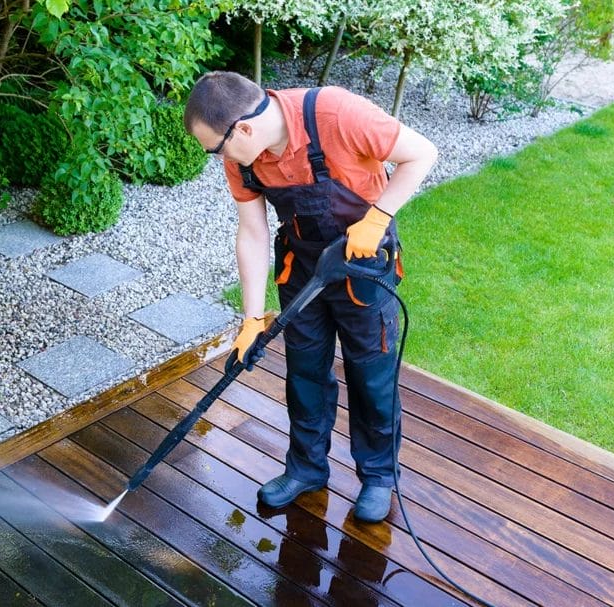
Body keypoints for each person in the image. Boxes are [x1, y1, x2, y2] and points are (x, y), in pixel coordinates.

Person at [184, 71, 438, 523]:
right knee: (304, 373)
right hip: (301, 268)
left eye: (215, 148)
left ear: (242, 129)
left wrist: (377, 218)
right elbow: (252, 231)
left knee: (371, 376)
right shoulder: (243, 158)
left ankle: (379, 476)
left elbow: (422, 153)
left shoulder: (336, 114)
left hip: (363, 267)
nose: (217, 157)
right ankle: (305, 469)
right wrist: (251, 319)